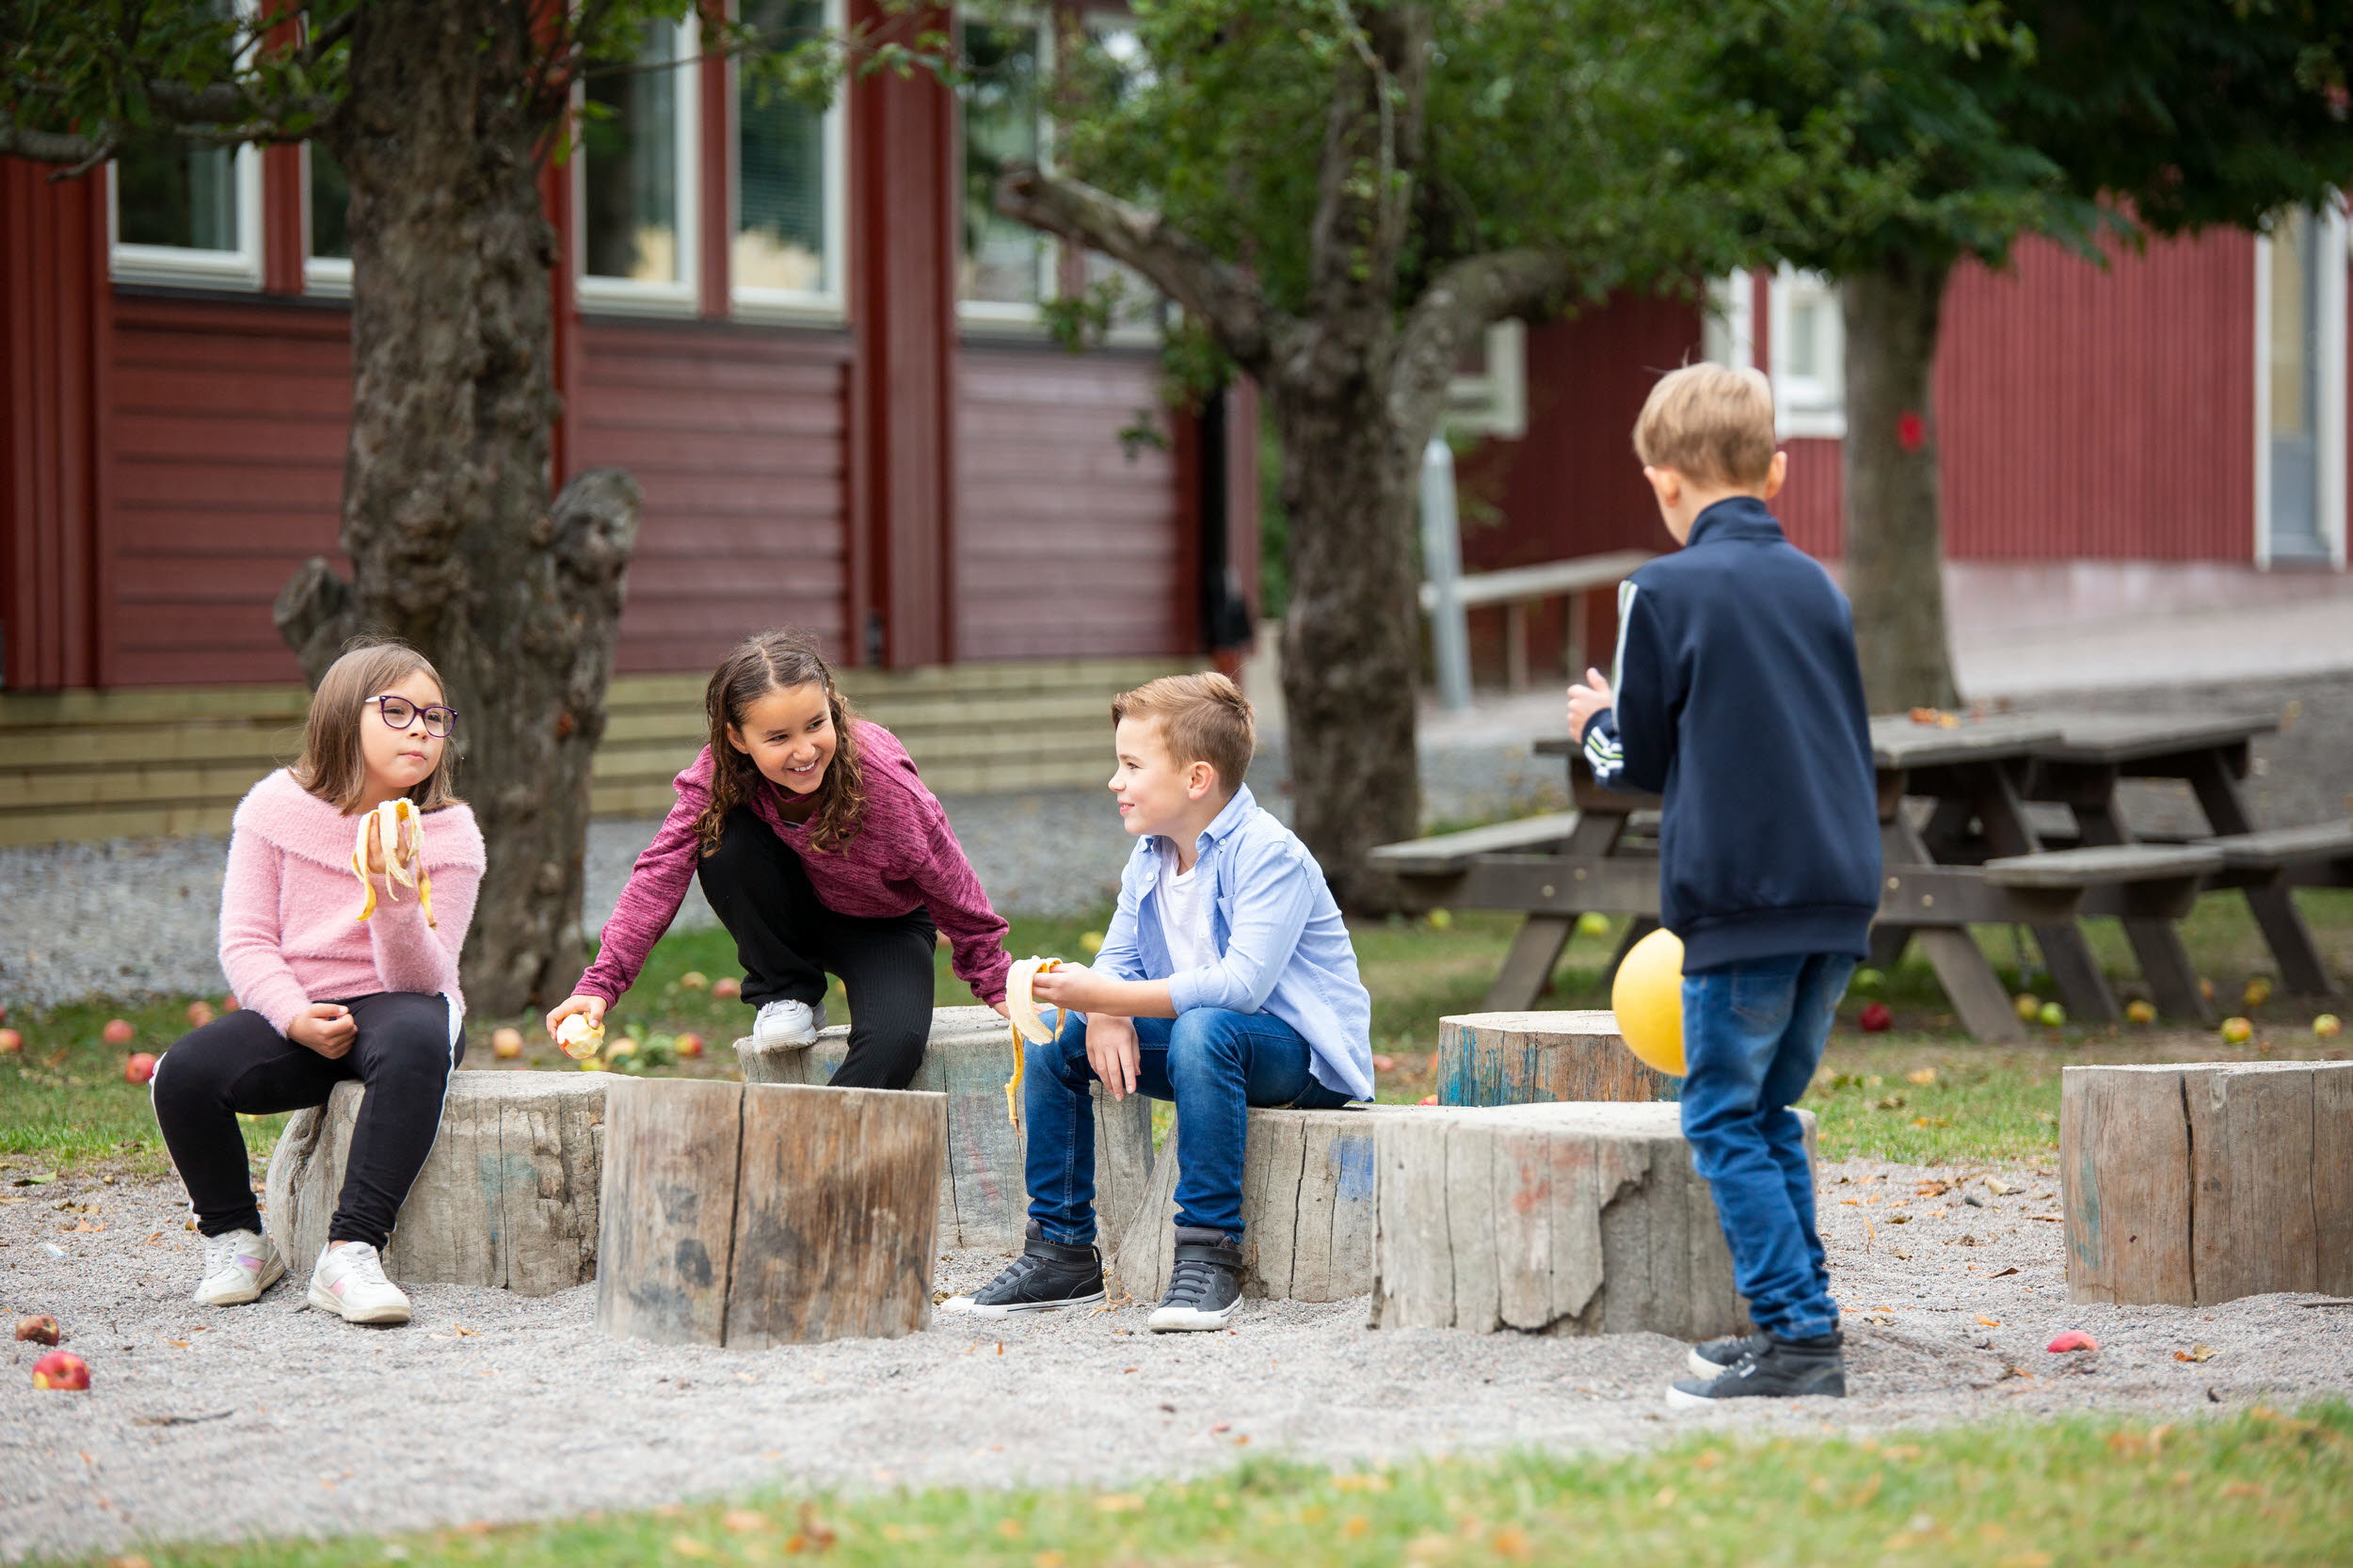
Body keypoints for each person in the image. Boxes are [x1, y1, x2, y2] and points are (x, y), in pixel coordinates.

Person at [1564, 361, 1881, 1405]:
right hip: (1837, 892)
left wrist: (1595, 728)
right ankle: (1806, 1319)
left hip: (1737, 901)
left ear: (1661, 483)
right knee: (1767, 1109)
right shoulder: (1817, 585)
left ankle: (1796, 1339)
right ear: (1777, 473)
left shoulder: (1658, 591)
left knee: (1720, 1117)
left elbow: (1643, 762)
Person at [944, 672, 1373, 1332]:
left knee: (1206, 1028)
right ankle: (1061, 1251)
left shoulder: (1268, 853)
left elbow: (1241, 988)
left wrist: (1108, 994)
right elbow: (1117, 960)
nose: (1115, 781)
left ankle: (1209, 1254)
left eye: (1131, 765)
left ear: (1196, 779)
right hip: (1211, 1043)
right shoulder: (1150, 857)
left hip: (1297, 1057)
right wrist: (1106, 1009)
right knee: (1057, 1037)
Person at [151, 640, 484, 1326]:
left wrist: (392, 892)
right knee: (181, 1073)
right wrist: (294, 1016)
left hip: (402, 1007)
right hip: (302, 1009)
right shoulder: (275, 809)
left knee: (419, 1038)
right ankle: (238, 1239)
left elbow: (424, 976)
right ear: (341, 715)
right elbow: (246, 942)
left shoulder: (448, 833)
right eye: (397, 711)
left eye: (434, 716)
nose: (421, 728)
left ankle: (352, 1250)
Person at [547, 628, 1010, 1084]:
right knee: (720, 839)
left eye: (815, 724)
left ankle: (807, 1147)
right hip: (791, 916)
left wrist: (994, 977)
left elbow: (950, 877)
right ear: (737, 738)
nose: (804, 751)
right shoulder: (719, 775)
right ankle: (787, 992)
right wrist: (600, 984)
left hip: (884, 923)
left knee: (898, 1043)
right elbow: (659, 870)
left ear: (831, 705)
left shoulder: (884, 782)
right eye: (778, 738)